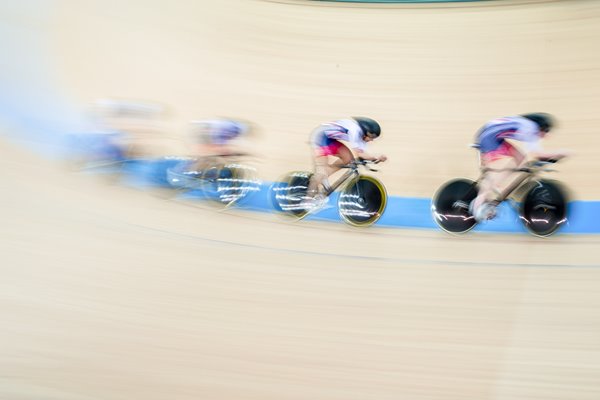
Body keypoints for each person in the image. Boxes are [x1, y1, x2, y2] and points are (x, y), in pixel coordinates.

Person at [470, 112, 569, 222]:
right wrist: (559, 153)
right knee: (495, 173)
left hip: (491, 134)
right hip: (489, 137)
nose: (545, 135)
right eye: (546, 131)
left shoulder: (528, 125)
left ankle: (496, 184)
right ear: (541, 126)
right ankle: (479, 203)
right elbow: (537, 154)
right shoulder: (531, 127)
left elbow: (535, 155)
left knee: (521, 158)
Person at [307, 117, 387, 204]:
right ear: (364, 131)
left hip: (330, 139)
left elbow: (363, 154)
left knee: (349, 159)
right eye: (371, 137)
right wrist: (376, 157)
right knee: (321, 172)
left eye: (373, 138)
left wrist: (374, 159)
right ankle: (308, 199)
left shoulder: (363, 137)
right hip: (319, 137)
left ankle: (324, 176)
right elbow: (360, 154)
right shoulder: (355, 130)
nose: (371, 140)